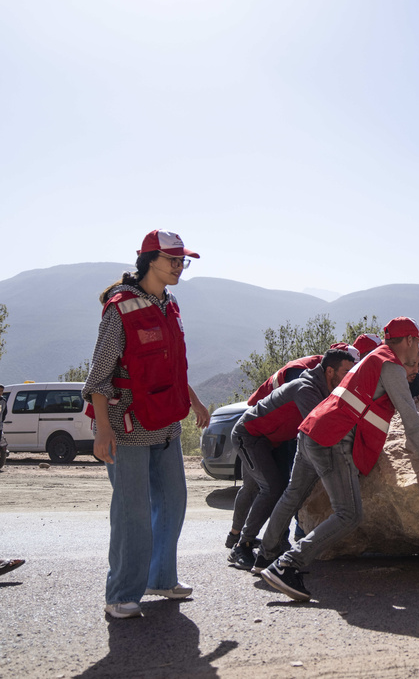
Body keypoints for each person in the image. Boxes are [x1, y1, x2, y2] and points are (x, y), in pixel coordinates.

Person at [257, 317, 419, 602]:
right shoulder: (390, 364)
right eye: (417, 341)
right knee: (349, 514)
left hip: (312, 428)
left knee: (293, 494)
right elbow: (409, 416)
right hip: (333, 439)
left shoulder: (373, 358)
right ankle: (287, 564)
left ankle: (265, 558)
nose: (418, 349)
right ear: (408, 341)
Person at [82, 230, 211, 620]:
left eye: (181, 261)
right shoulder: (119, 308)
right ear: (150, 260)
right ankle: (121, 593)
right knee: (132, 512)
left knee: (172, 503)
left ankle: (160, 577)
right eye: (173, 260)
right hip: (126, 427)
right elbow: (99, 376)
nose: (179, 267)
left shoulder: (169, 305)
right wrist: (103, 429)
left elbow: (169, 364)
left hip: (165, 425)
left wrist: (194, 400)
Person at [226, 346, 357, 570]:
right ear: (329, 372)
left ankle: (268, 544)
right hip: (249, 436)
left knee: (282, 490)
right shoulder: (305, 388)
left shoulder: (324, 389)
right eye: (346, 372)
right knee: (272, 488)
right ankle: (242, 546)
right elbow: (320, 427)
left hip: (272, 440)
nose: (349, 378)